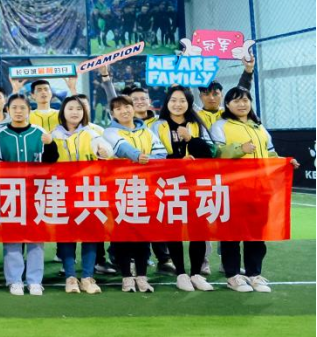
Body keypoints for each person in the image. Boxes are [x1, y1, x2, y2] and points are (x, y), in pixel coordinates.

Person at [211, 87, 298, 293]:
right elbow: (215, 153)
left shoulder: (259, 127)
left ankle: (254, 274)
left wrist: (285, 161)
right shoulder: (220, 126)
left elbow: (270, 154)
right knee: (232, 234)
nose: (242, 104)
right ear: (227, 105)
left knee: (257, 234)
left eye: (245, 100)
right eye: (236, 101)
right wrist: (240, 149)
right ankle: (233, 276)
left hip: (260, 189)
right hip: (233, 189)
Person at [45, 96, 113, 295]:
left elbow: (107, 151)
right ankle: (70, 277)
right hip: (63, 191)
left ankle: (87, 277)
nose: (75, 112)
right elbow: (46, 160)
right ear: (63, 112)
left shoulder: (92, 134)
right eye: (70, 108)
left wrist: (104, 152)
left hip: (89, 191)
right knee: (66, 235)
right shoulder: (53, 135)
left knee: (90, 234)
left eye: (79, 109)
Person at [152, 85, 215, 292]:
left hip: (196, 184)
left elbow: (210, 152)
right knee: (174, 228)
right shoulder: (157, 126)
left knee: (198, 229)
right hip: (169, 184)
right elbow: (154, 155)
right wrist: (178, 162)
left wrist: (190, 139)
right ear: (167, 102)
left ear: (189, 103)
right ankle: (180, 273)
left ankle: (196, 273)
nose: (177, 104)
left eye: (182, 100)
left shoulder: (197, 125)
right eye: (173, 100)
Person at [0, 93, 52, 296]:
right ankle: (14, 280)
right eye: (14, 108)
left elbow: (50, 162)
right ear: (8, 110)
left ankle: (35, 280)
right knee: (12, 238)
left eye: (22, 108)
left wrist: (50, 144)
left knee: (36, 238)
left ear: (29, 110)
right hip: (9, 193)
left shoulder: (40, 133)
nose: (18, 111)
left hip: (36, 193)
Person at [103, 95, 164, 293]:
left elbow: (162, 155)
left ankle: (142, 276)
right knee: (122, 235)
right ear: (113, 113)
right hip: (120, 189)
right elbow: (122, 148)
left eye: (127, 107)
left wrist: (147, 159)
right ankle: (126, 277)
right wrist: (138, 157)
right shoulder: (109, 131)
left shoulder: (147, 131)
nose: (124, 111)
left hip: (145, 189)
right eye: (118, 108)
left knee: (143, 235)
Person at [196, 57, 254, 129]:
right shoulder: (195, 116)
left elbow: (241, 91)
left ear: (222, 95)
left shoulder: (230, 112)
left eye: (215, 94)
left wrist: (248, 69)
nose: (211, 98)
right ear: (200, 96)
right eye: (206, 94)